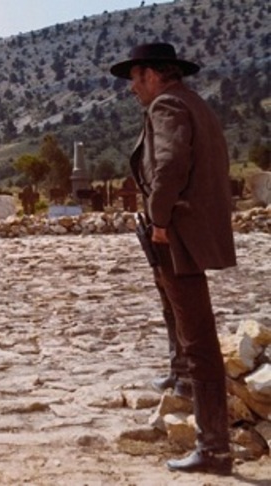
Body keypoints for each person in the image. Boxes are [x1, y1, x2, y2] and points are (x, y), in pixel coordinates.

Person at [110, 43, 236, 475]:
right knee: (187, 325)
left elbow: (169, 165)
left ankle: (214, 448)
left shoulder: (167, 105)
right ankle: (187, 393)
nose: (131, 88)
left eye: (135, 77)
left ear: (151, 75)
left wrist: (160, 219)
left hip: (178, 234)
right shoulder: (193, 102)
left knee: (198, 337)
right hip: (190, 231)